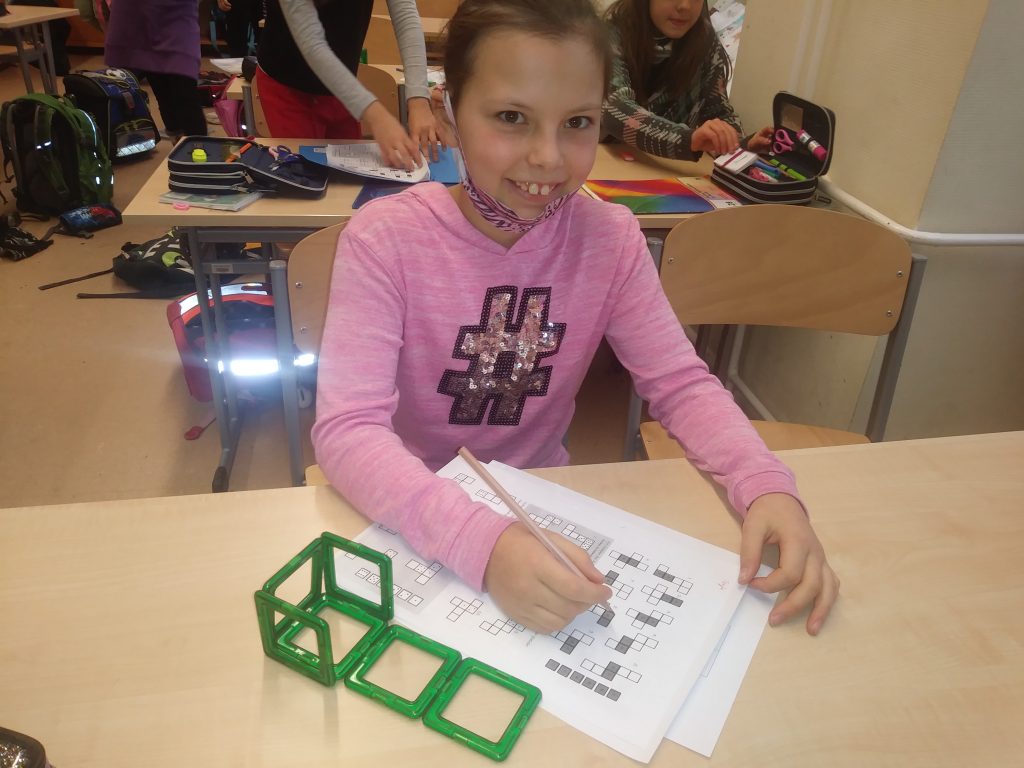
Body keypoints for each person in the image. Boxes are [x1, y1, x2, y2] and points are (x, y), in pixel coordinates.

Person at [311, 0, 837, 637]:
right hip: (408, 507)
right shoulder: (386, 239)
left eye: (578, 123)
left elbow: (680, 383)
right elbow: (349, 430)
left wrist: (764, 482)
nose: (548, 157)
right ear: (450, 113)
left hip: (543, 505)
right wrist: (482, 543)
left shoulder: (610, 239)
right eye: (511, 117)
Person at [256, 0, 440, 169]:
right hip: (288, 87)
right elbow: (312, 45)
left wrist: (419, 100)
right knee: (304, 175)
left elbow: (405, 15)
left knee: (351, 176)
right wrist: (379, 117)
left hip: (342, 88)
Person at [602, 0, 771, 160]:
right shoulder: (608, 36)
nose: (685, 6)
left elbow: (718, 112)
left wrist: (740, 144)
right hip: (604, 162)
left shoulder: (705, 43)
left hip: (664, 170)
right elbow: (614, 110)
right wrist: (687, 139)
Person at [104, 0, 208, 139]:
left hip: (177, 18)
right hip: (137, 18)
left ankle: (199, 145)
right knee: (163, 93)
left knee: (185, 92)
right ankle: (178, 141)